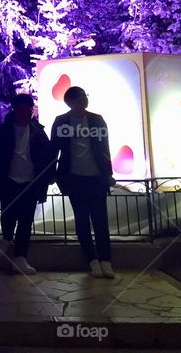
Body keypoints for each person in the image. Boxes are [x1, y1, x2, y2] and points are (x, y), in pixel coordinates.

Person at [0, 93, 56, 274]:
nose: (26, 113)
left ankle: (20, 257)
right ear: (15, 110)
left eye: (28, 109)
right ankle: (7, 237)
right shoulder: (2, 131)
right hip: (9, 180)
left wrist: (46, 177)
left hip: (30, 182)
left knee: (26, 221)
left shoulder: (37, 132)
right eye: (22, 109)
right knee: (8, 214)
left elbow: (47, 156)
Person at [50, 86, 115, 279]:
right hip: (74, 178)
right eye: (80, 98)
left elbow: (104, 148)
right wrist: (53, 175)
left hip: (96, 178)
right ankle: (93, 260)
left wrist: (108, 173)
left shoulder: (97, 120)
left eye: (85, 96)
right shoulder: (61, 121)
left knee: (100, 219)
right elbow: (54, 149)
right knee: (82, 219)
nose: (84, 100)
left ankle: (105, 260)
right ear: (70, 102)